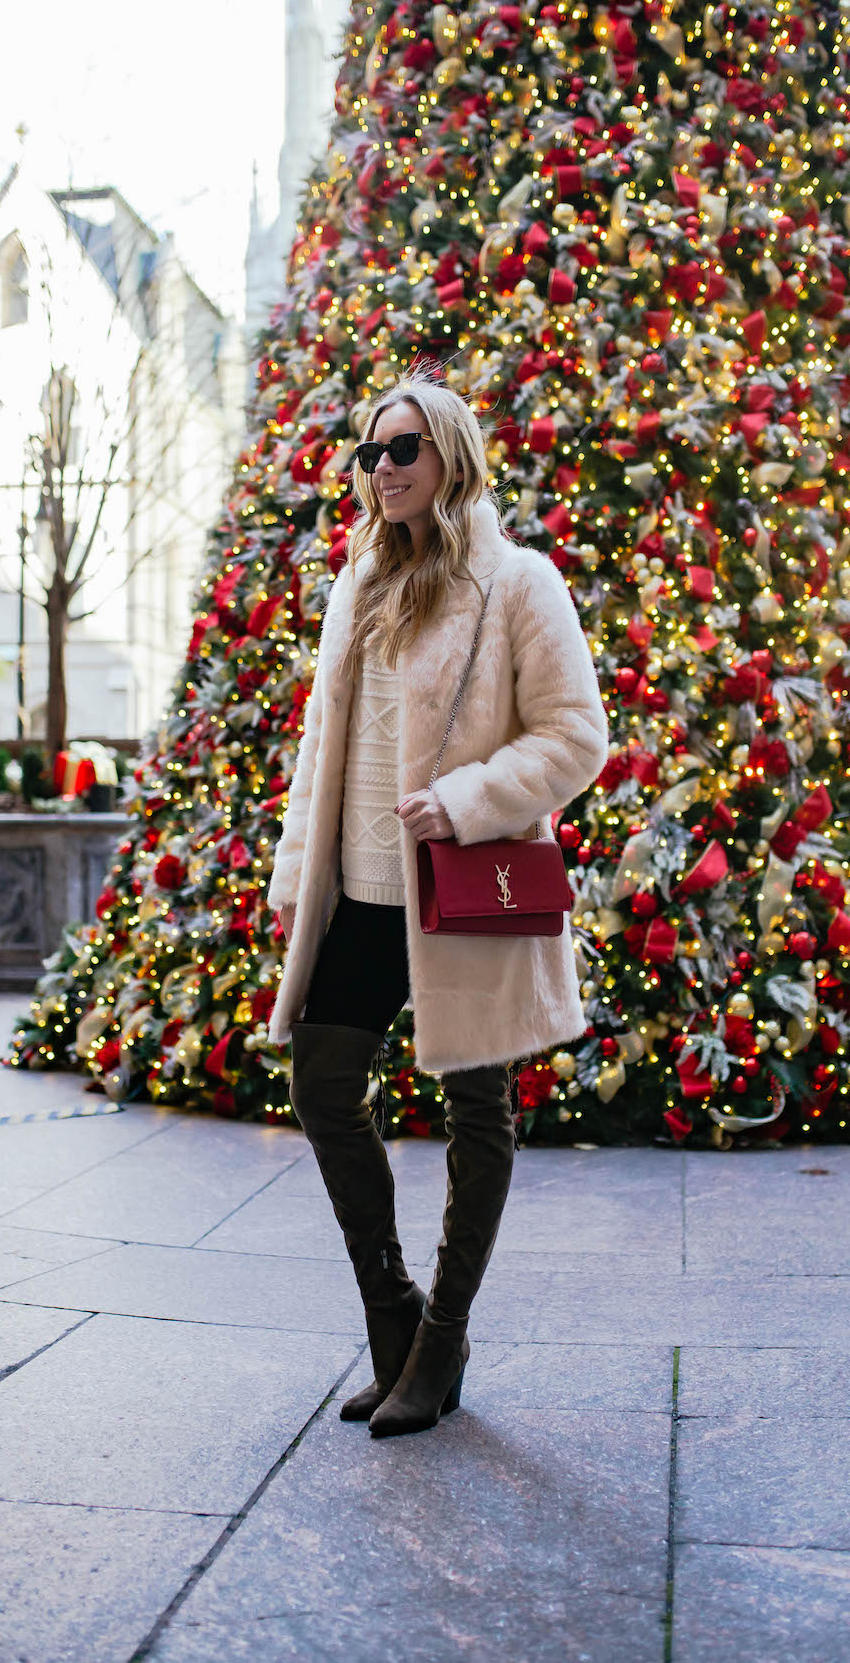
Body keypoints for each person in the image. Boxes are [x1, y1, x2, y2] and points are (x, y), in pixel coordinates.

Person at [265, 362, 609, 1438]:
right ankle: (395, 1319)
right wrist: (293, 871)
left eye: (402, 448)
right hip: (359, 890)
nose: (381, 469)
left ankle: (443, 1339)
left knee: (477, 1114)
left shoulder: (517, 581)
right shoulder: (356, 581)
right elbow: (324, 744)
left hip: (459, 883)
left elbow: (575, 736)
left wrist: (465, 800)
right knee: (323, 1079)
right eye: (370, 452)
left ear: (449, 454)